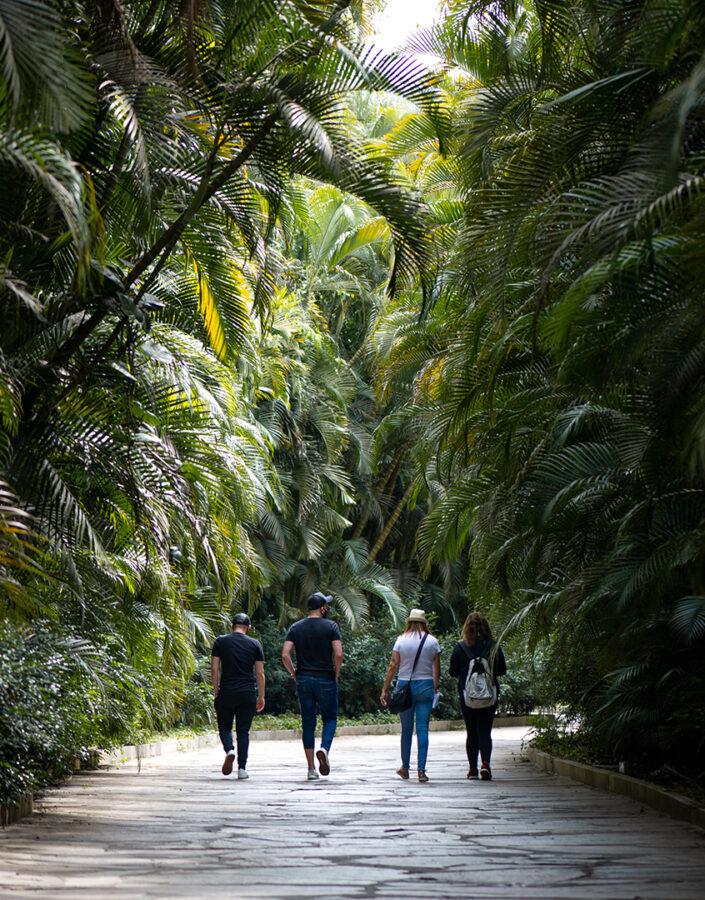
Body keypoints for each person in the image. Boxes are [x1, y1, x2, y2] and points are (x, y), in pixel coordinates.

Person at [281, 592, 343, 780]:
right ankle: (324, 748)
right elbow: (338, 654)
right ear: (323, 608)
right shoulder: (331, 626)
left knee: (308, 722)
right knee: (330, 717)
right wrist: (336, 674)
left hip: (304, 678)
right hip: (325, 678)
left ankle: (311, 769)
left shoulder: (295, 627)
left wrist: (293, 672)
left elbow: (285, 655)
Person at [380, 608, 440, 783]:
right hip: (425, 685)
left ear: (409, 622)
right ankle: (421, 771)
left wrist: (385, 688)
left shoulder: (401, 640)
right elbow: (437, 669)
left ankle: (405, 768)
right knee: (422, 728)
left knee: (406, 730)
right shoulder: (432, 641)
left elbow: (393, 665)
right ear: (424, 623)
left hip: (404, 686)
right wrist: (434, 688)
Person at [449, 611, 506, 781]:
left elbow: (452, 672)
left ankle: (472, 769)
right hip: (489, 695)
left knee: (471, 731)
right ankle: (486, 764)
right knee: (484, 730)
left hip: (467, 695)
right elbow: (502, 670)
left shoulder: (460, 647)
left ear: (466, 627)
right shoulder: (494, 645)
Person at [211, 612, 265, 779]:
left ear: (232, 626)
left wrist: (216, 690)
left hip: (226, 691)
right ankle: (242, 769)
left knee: (224, 727)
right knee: (243, 731)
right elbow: (260, 673)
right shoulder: (255, 644)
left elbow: (214, 669)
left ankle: (229, 750)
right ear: (248, 628)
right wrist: (261, 696)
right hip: (247, 693)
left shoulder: (220, 641)